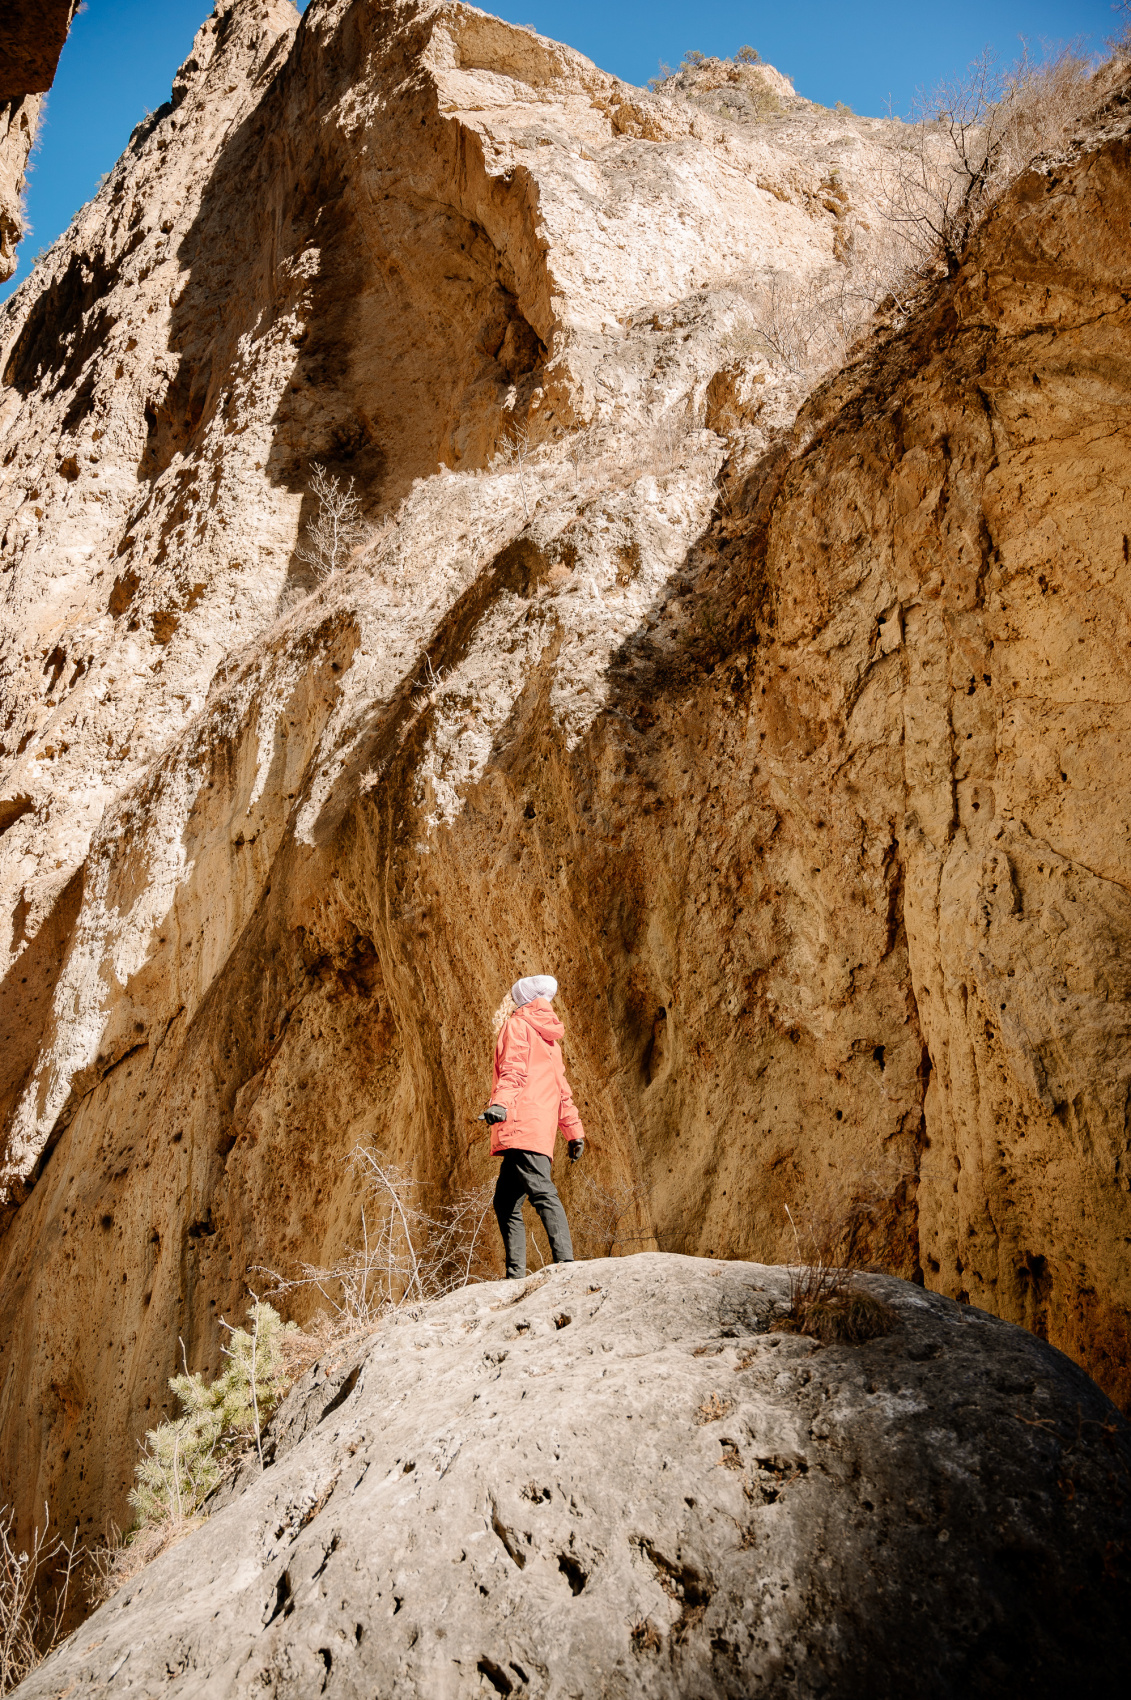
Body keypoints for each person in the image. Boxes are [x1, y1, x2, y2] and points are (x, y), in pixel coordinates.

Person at [480, 974, 585, 1279]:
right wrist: (573, 1131)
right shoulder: (549, 1038)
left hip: (521, 1121)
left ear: (520, 999)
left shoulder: (518, 1025)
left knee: (541, 1192)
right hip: (539, 1125)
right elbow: (561, 1088)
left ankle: (565, 1265)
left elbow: (513, 1072)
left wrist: (499, 1104)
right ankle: (515, 1274)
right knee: (505, 1201)